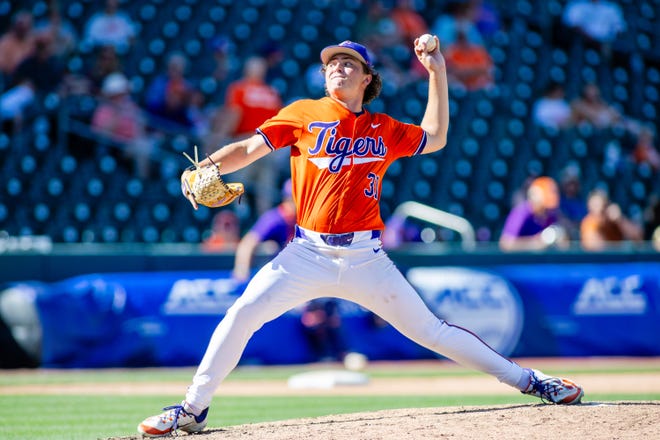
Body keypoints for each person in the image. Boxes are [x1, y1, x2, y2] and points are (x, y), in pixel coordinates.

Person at [137, 37, 584, 437]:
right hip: (305, 253)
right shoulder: (303, 114)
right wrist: (211, 164)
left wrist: (437, 72)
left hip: (366, 258)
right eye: (332, 62)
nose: (338, 68)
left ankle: (530, 381)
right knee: (241, 315)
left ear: (368, 78)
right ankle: (192, 410)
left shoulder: (382, 128)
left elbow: (436, 136)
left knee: (432, 331)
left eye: (349, 63)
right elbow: (249, 148)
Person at [209, 56, 284, 216]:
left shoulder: (239, 88)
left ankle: (239, 219)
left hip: (246, 143)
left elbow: (234, 115)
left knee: (239, 185)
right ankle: (265, 224)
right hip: (268, 145)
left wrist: (217, 140)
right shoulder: (272, 93)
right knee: (265, 192)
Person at [91, 72, 155, 178]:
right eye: (121, 94)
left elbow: (141, 127)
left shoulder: (131, 106)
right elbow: (100, 133)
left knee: (153, 144)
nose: (124, 97)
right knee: (142, 149)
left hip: (133, 143)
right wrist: (118, 114)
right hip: (116, 146)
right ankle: (142, 182)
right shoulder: (103, 110)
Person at [232, 179, 295, 282]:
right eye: (292, 199)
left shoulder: (304, 218)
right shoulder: (274, 218)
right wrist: (242, 272)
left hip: (297, 273)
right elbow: (247, 244)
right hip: (276, 274)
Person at [499, 176, 569, 251]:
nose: (547, 209)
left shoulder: (551, 214)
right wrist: (536, 243)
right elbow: (506, 244)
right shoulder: (522, 213)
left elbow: (564, 244)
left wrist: (561, 240)